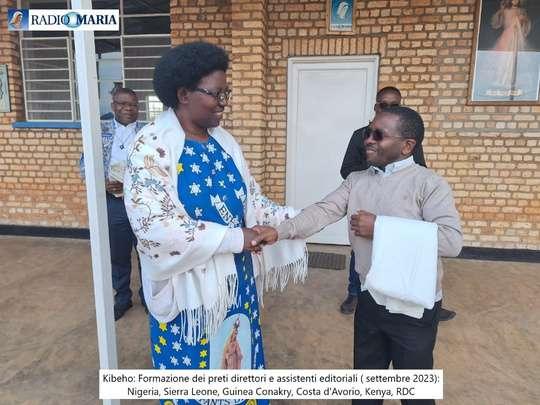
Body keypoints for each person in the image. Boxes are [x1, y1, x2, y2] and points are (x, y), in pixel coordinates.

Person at [123, 41, 307, 405]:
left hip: (236, 283)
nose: (224, 102)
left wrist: (297, 220)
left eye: (226, 93)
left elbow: (252, 202)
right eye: (216, 94)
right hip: (188, 294)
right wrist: (237, 238)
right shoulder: (150, 146)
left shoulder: (225, 142)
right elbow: (154, 226)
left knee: (238, 356)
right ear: (183, 94)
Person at [253, 106, 463, 405]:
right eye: (368, 132)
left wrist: (380, 227)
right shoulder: (357, 180)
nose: (368, 140)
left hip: (414, 306)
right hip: (370, 298)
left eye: (379, 135)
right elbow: (324, 210)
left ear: (407, 146)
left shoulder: (429, 184)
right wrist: (279, 231)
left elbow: (451, 242)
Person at [80, 87, 146, 321]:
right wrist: (102, 183)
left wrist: (131, 183)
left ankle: (148, 297)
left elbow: (159, 168)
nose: (128, 108)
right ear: (113, 106)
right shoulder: (100, 132)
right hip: (114, 203)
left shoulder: (148, 132)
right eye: (122, 104)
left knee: (146, 251)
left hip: (143, 203)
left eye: (133, 105)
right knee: (118, 253)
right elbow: (84, 166)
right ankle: (122, 298)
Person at [491, 0, 531, 92]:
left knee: (513, 59)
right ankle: (501, 79)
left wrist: (522, 20)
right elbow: (498, 22)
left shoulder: (521, 11)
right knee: (503, 58)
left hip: (516, 36)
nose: (515, 1)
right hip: (507, 36)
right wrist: (502, 11)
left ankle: (511, 81)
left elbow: (526, 25)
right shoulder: (505, 10)